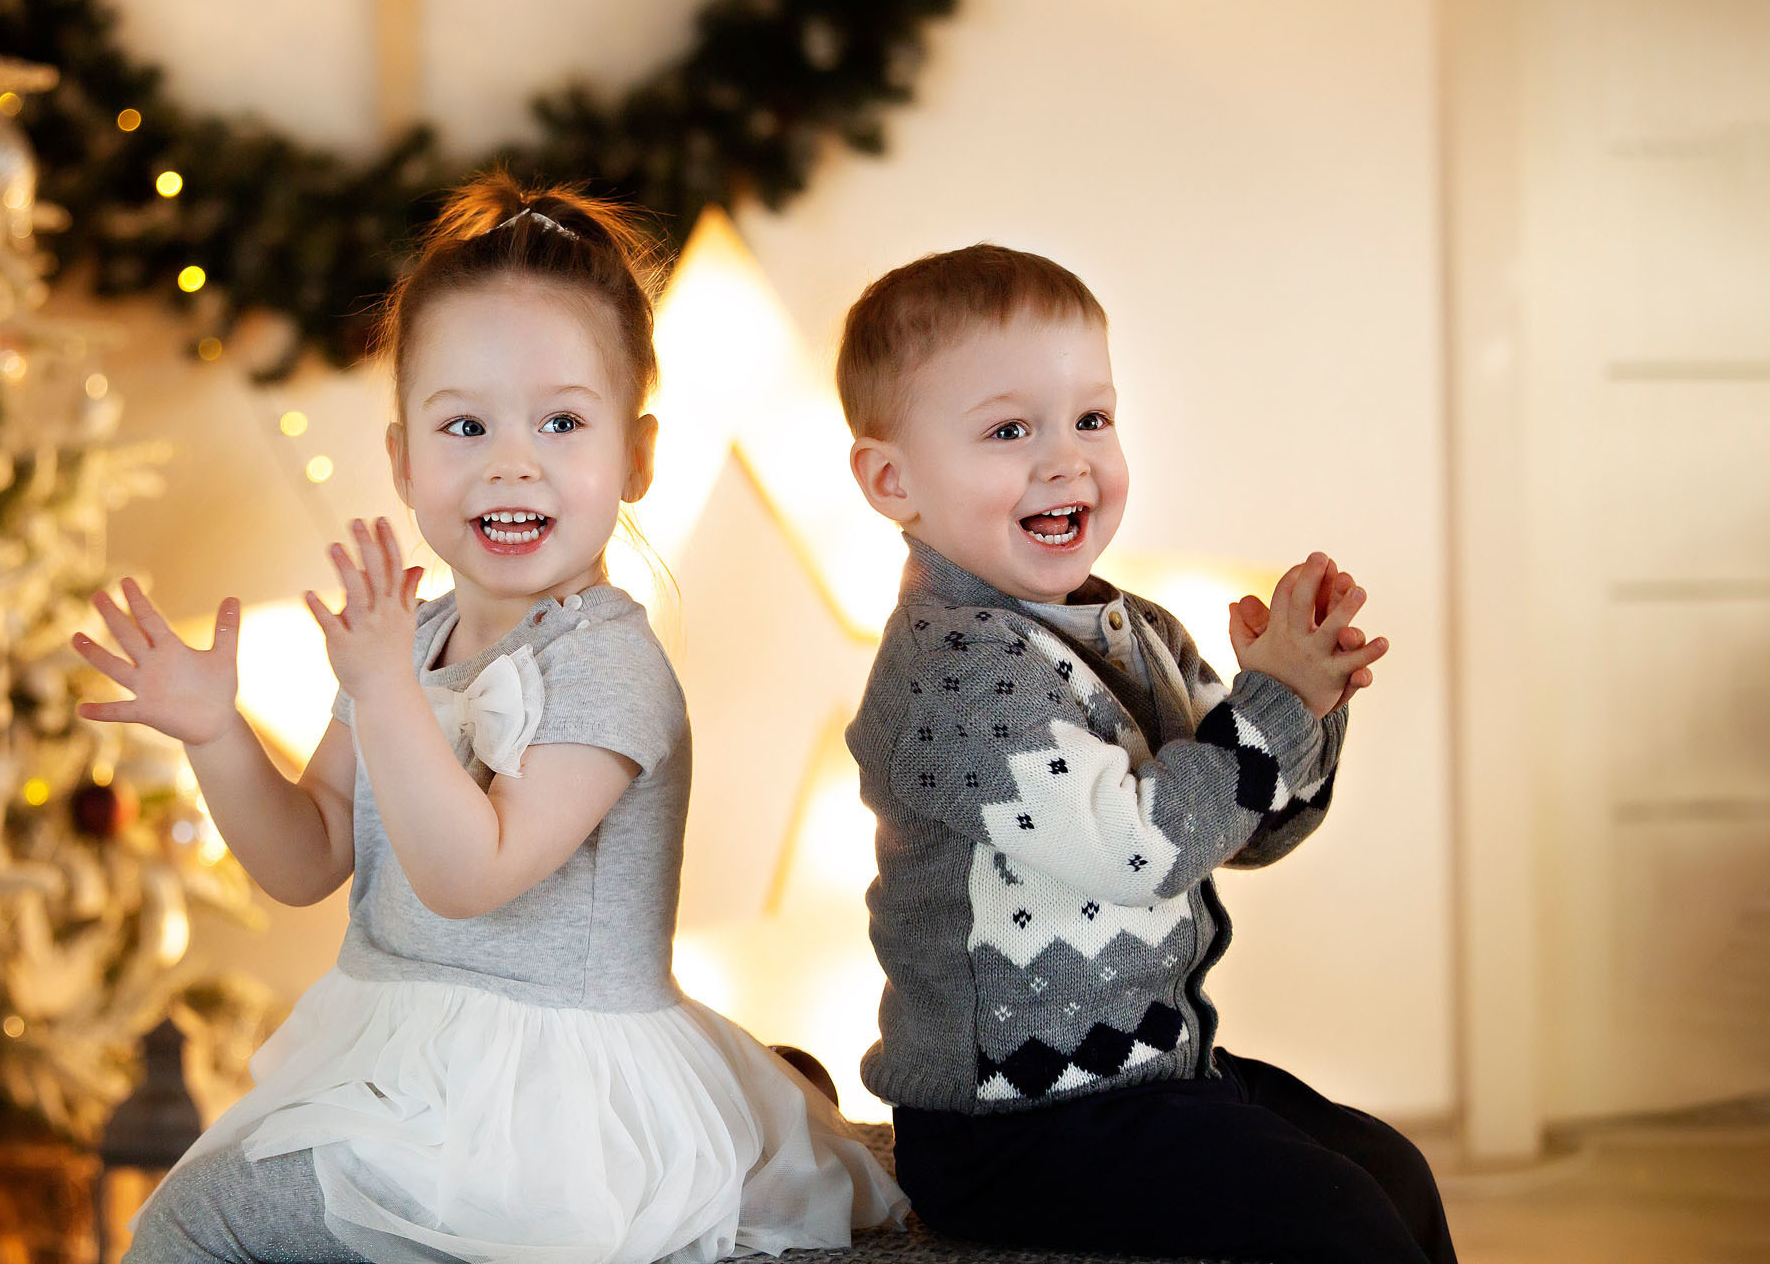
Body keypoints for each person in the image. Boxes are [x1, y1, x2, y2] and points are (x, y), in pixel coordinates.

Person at [74, 174, 904, 1264]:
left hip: (539, 1106)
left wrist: (379, 695)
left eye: (562, 421)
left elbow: (468, 878)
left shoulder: (609, 664)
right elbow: (306, 857)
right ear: (405, 462)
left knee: (196, 1224)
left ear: (638, 457)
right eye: (465, 424)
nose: (513, 460)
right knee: (217, 1209)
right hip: (398, 1065)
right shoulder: (404, 639)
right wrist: (218, 736)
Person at [834, 244, 1454, 1263]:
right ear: (891, 478)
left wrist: (1311, 696)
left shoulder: (1136, 628)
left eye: (1092, 418)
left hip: (1147, 1076)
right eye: (1007, 429)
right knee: (1332, 1222)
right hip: (1014, 1126)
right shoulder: (953, 672)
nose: (1065, 459)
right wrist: (1272, 708)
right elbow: (1145, 848)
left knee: (1387, 1169)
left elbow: (1252, 828)